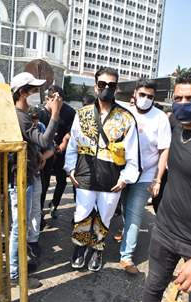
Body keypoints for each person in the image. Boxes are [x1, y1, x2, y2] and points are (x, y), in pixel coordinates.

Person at [64, 67, 141, 272]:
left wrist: (125, 178)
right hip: (85, 175)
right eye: (102, 84)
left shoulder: (126, 118)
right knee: (82, 214)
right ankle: (80, 248)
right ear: (95, 86)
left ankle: (97, 249)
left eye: (111, 85)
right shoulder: (82, 114)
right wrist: (70, 169)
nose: (106, 88)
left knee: (105, 216)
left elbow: (133, 153)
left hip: (111, 178)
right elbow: (72, 146)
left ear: (116, 88)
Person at [141, 71, 191, 302]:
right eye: (179, 98)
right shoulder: (173, 123)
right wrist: (157, 178)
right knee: (153, 287)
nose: (183, 105)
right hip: (165, 228)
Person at [10, 72, 62, 287]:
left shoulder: (20, 114)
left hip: (28, 175)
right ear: (22, 92)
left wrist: (37, 155)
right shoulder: (20, 116)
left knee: (23, 223)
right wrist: (56, 114)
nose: (35, 94)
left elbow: (33, 144)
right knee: (18, 227)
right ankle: (15, 275)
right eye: (32, 89)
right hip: (20, 179)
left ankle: (19, 267)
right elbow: (43, 139)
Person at [119, 79, 171, 274]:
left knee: (135, 213)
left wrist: (157, 178)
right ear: (135, 93)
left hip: (146, 174)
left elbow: (164, 149)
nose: (146, 99)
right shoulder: (126, 113)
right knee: (125, 210)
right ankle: (126, 235)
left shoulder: (160, 118)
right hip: (123, 174)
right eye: (142, 95)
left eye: (150, 96)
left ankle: (126, 256)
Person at [39, 85, 75, 219]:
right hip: (45, 153)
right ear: (48, 99)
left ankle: (54, 204)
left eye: (60, 100)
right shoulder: (41, 112)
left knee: (61, 180)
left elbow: (71, 131)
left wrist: (63, 144)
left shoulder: (70, 112)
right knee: (44, 183)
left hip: (61, 150)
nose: (57, 103)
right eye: (53, 99)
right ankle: (40, 211)